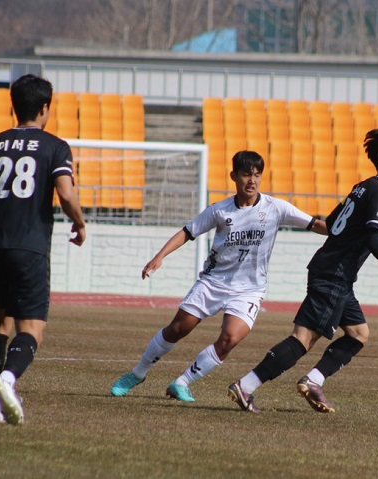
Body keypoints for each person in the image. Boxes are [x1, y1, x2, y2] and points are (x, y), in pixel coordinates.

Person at [228, 125, 378, 414]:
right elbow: (373, 238)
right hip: (335, 273)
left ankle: (314, 380)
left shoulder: (362, 187)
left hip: (336, 273)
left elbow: (332, 222)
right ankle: (246, 386)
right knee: (303, 339)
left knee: (359, 333)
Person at [110, 150, 327, 402]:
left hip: (249, 290)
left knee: (229, 339)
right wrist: (159, 256)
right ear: (233, 176)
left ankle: (181, 383)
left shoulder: (276, 208)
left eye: (257, 175)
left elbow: (315, 224)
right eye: (246, 174)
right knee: (178, 328)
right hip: (213, 282)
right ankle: (137, 373)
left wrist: (345, 232)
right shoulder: (220, 210)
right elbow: (187, 232)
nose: (252, 181)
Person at [0, 74, 86, 425]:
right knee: (31, 328)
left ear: (14, 106)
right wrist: (79, 223)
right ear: (45, 107)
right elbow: (66, 194)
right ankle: (7, 378)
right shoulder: (55, 146)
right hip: (29, 245)